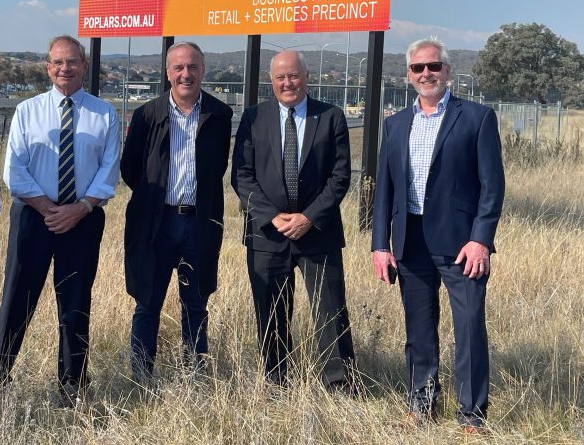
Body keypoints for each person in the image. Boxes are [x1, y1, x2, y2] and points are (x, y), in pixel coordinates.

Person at [371, 37, 505, 433]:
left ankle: (472, 415)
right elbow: (385, 191)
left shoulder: (477, 118)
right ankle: (422, 405)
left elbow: (492, 186)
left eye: (433, 66)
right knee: (418, 330)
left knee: (468, 329)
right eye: (417, 68)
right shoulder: (395, 124)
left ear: (447, 71)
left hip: (462, 246)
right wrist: (381, 244)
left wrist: (481, 239)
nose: (426, 73)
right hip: (409, 242)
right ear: (408, 75)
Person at [0, 35, 119, 406]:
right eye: (58, 62)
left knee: (76, 303)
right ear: (48, 67)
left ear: (84, 66)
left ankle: (72, 386)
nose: (65, 68)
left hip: (84, 219)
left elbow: (108, 172)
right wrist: (49, 209)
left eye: (73, 61)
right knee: (17, 299)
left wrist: (79, 209)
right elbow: (14, 170)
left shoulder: (104, 113)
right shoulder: (28, 111)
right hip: (33, 217)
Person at [231, 50, 355, 390]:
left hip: (318, 232)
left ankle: (340, 384)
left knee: (329, 312)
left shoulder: (330, 117)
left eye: (294, 76)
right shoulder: (255, 118)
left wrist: (309, 217)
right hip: (267, 235)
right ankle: (276, 382)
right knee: (271, 313)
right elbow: (241, 176)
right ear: (271, 82)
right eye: (281, 78)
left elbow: (340, 176)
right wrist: (272, 218)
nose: (288, 83)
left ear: (306, 76)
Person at [121, 42, 232, 381]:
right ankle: (140, 376)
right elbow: (130, 169)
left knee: (196, 304)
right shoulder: (148, 114)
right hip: (157, 223)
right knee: (147, 303)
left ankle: (195, 375)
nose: (186, 74)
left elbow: (218, 168)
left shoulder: (220, 115)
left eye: (193, 67)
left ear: (203, 70)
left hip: (198, 223)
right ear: (168, 72)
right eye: (179, 67)